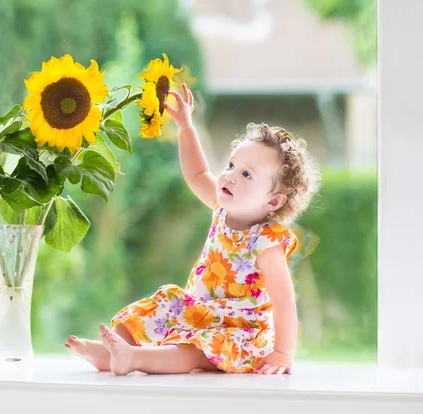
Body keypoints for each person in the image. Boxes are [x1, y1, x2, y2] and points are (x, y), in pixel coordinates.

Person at [65, 84, 321, 375]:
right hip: (199, 310)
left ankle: (134, 358)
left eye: (246, 174)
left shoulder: (266, 242)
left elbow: (284, 302)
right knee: (159, 305)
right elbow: (197, 173)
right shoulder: (221, 207)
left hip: (238, 332)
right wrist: (187, 128)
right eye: (232, 164)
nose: (231, 175)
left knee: (194, 352)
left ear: (273, 200)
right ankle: (113, 351)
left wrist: (282, 354)